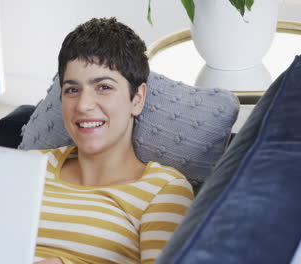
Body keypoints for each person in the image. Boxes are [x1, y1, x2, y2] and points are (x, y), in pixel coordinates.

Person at [33, 17, 194, 264]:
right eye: (72, 90)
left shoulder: (163, 190)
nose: (84, 105)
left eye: (103, 87)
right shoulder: (32, 166)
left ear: (137, 98)